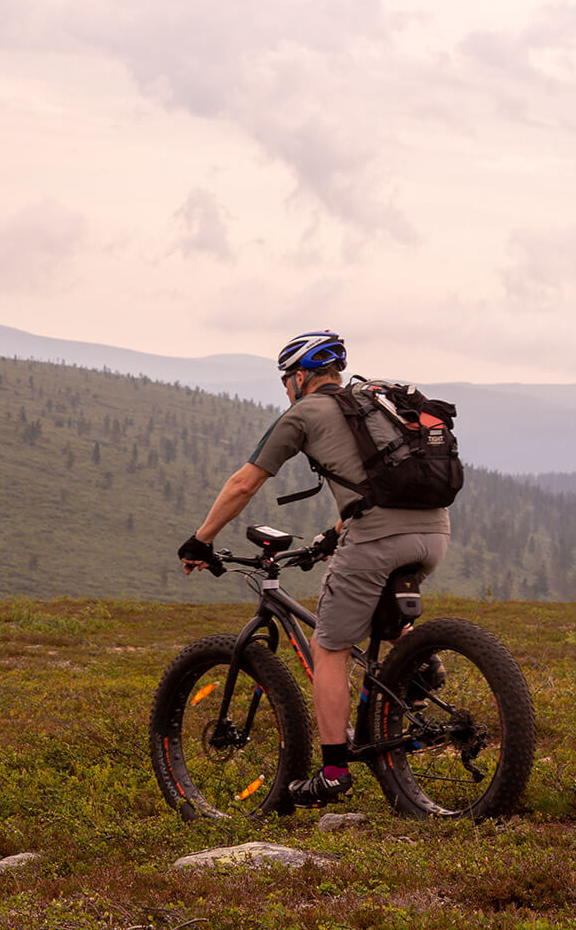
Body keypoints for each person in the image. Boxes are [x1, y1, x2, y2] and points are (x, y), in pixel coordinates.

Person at [177, 331, 450, 807]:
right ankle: (417, 665)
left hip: (377, 538)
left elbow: (244, 484)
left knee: (329, 647)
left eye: (287, 379)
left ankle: (333, 772)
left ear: (300, 375)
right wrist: (332, 534)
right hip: (435, 533)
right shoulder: (373, 402)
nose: (286, 388)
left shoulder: (303, 413)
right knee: (385, 619)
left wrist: (201, 541)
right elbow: (380, 479)